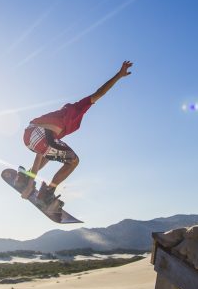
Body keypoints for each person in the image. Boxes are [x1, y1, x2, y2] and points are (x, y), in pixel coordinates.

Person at [15, 61, 133, 208]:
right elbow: (40, 151)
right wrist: (30, 186)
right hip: (38, 133)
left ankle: (26, 176)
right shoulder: (64, 119)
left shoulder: (68, 112)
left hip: (29, 136)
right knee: (73, 161)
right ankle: (47, 191)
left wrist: (119, 75)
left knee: (52, 153)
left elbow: (99, 93)